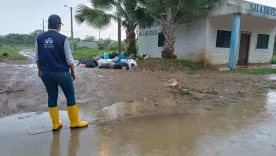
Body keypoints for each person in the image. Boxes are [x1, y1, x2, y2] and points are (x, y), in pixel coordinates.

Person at [35, 14, 88, 131]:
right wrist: (73, 72)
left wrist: (40, 70)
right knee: (70, 95)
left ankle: (55, 124)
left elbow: (37, 58)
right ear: (59, 26)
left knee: (52, 95)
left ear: (49, 24)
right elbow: (69, 59)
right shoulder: (63, 39)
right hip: (61, 72)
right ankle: (74, 122)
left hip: (45, 72)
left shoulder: (39, 38)